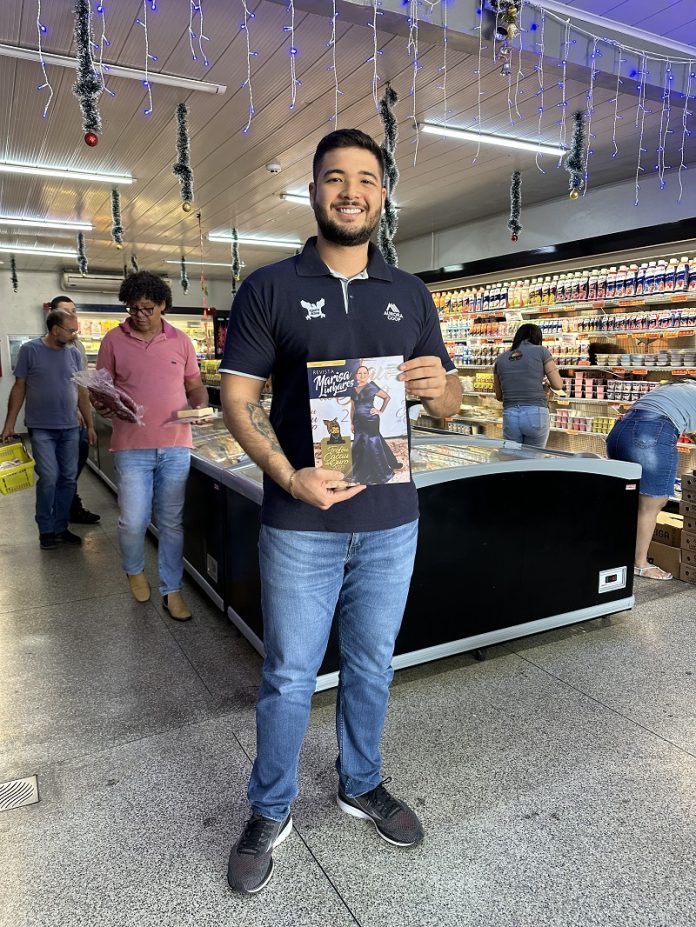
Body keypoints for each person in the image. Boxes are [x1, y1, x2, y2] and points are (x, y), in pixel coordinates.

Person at [220, 128, 462, 895]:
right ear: (315, 190)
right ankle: (270, 807)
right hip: (301, 525)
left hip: (391, 520)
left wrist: (440, 389)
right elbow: (238, 398)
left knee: (371, 663)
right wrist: (289, 477)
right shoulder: (269, 287)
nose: (350, 191)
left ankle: (361, 782)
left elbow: (450, 401)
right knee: (290, 674)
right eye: (334, 177)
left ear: (382, 195)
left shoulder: (411, 293)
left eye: (365, 178)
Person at [94, 271, 209, 619]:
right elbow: (100, 389)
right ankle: (133, 569)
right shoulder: (113, 340)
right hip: (131, 447)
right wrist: (102, 403)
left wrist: (200, 406)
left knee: (172, 522)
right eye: (133, 308)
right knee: (133, 521)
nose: (140, 315)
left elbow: (195, 386)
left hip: (176, 444)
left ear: (163, 306)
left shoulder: (181, 341)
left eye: (147, 308)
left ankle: (172, 590)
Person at [1, 309, 96, 549]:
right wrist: (9, 423)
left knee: (68, 478)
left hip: (70, 428)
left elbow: (82, 391)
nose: (74, 335)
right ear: (55, 329)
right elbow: (19, 387)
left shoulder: (74, 353)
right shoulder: (30, 350)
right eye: (70, 331)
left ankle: (60, 527)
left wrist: (90, 425)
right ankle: (46, 529)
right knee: (49, 477)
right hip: (41, 427)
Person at [607, 379, 696, 580]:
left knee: (627, 499)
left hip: (619, 432)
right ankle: (640, 564)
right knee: (653, 502)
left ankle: (616, 552)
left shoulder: (678, 387)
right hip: (650, 434)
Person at [49, 295, 100, 524]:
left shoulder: (77, 346)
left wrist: (88, 410)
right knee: (61, 468)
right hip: (56, 419)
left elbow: (81, 382)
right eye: (66, 311)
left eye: (74, 311)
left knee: (76, 461)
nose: (72, 315)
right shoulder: (46, 346)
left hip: (77, 417)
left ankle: (67, 503)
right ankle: (66, 508)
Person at [493, 322, 564, 447]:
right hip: (536, 413)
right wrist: (546, 386)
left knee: (511, 456)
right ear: (537, 337)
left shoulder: (500, 359)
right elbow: (557, 385)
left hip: (510, 415)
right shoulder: (542, 352)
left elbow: (499, 396)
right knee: (534, 457)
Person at [348, 363, 403, 483]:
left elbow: (387, 397)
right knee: (361, 442)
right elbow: (353, 408)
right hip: (358, 421)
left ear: (368, 375)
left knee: (372, 443)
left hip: (371, 419)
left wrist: (380, 411)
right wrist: (351, 423)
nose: (362, 375)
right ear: (356, 375)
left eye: (365, 373)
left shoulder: (372, 386)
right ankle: (391, 462)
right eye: (360, 373)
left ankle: (376, 471)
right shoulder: (352, 390)